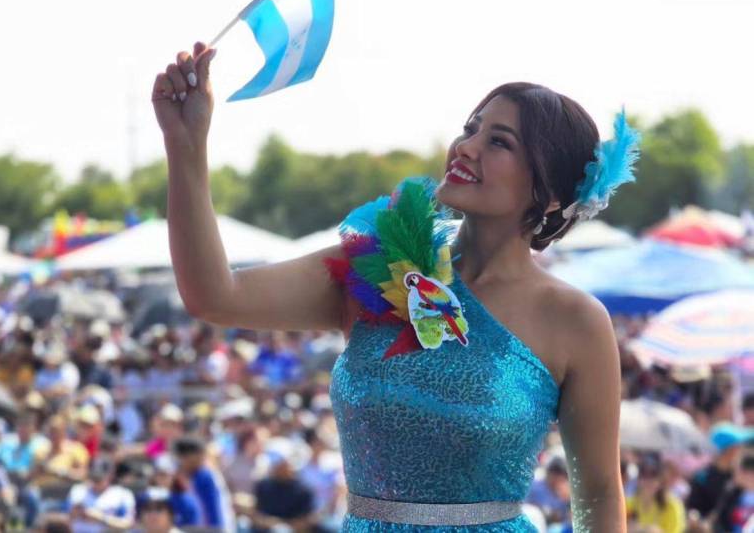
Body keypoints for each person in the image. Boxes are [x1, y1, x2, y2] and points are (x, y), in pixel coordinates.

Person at [154, 44, 637, 530]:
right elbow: (214, 295)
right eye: (471, 129)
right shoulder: (381, 265)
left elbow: (597, 492)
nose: (465, 147)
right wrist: (186, 142)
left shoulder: (576, 321)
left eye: (499, 142)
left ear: (550, 192)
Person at [687, 422, 754, 518]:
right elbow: (693, 511)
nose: (741, 451)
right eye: (738, 447)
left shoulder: (738, 479)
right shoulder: (702, 478)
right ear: (729, 451)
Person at [172, 437, 235, 532]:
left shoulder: (205, 476)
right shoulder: (190, 474)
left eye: (185, 456)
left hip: (214, 528)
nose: (182, 461)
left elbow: (213, 512)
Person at [67, 455, 135, 533]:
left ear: (111, 476)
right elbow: (66, 518)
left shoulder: (123, 494)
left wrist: (101, 518)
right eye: (94, 478)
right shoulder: (78, 491)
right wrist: (75, 514)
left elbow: (128, 524)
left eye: (99, 479)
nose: (95, 482)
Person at [625, 454, 686, 533]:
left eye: (653, 476)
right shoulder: (629, 503)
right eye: (644, 475)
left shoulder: (672, 506)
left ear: (661, 480)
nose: (648, 481)